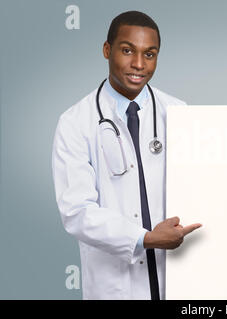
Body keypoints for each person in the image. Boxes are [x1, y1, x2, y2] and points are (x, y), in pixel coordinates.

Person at [52, 11, 201, 300]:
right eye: (127, 50)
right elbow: (77, 211)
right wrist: (144, 239)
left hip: (177, 278)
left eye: (150, 54)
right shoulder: (75, 122)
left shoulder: (179, 112)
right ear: (107, 50)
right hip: (115, 285)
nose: (138, 64)